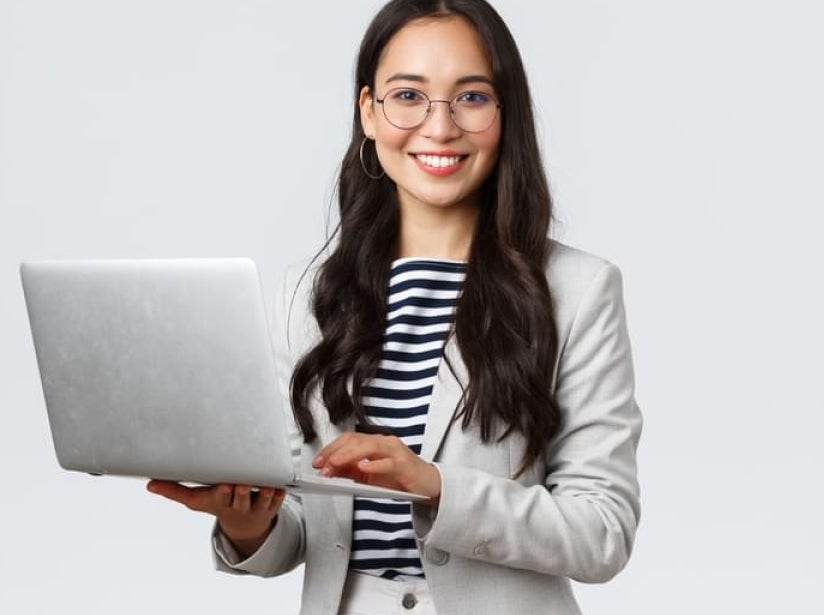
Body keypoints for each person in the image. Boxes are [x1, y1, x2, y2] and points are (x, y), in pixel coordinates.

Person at [146, 1, 642, 613]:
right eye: (408, 96)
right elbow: (303, 521)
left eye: (472, 97)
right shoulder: (304, 295)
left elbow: (603, 531)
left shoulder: (577, 289)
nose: (439, 127)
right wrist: (249, 523)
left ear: (505, 115)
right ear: (369, 113)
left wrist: (433, 486)